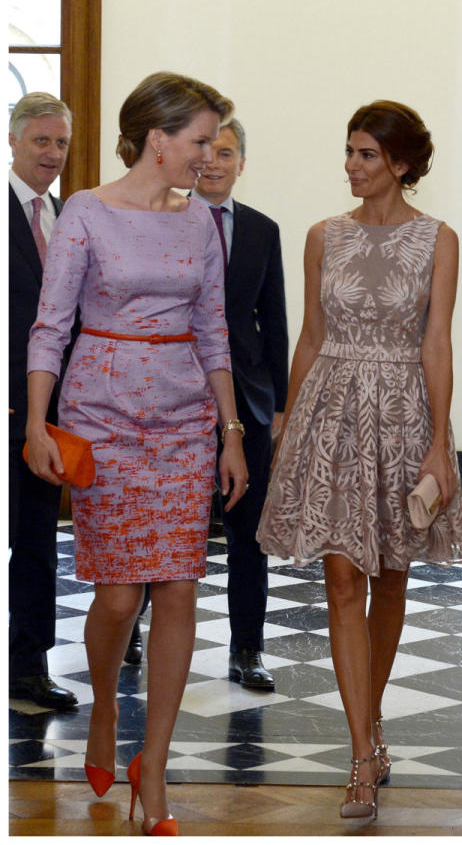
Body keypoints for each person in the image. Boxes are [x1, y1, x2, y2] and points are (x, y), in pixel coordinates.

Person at [26, 71, 248, 835]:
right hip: (104, 418)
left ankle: (151, 764)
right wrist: (34, 422)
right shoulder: (85, 211)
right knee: (120, 596)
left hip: (185, 423)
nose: (208, 155)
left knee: (180, 588)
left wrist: (232, 434)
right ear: (159, 140)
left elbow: (216, 332)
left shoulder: (202, 223)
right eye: (199, 141)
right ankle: (103, 710)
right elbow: (50, 325)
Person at [257, 100, 462, 819]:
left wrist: (441, 443)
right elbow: (311, 335)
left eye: (367, 155)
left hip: (404, 414)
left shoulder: (439, 240)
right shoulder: (323, 237)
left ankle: (372, 724)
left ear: (402, 164)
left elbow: (437, 343)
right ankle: (358, 754)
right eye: (349, 152)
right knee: (343, 579)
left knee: (391, 575)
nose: (351, 166)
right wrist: (290, 426)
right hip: (332, 412)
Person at [192, 118, 288, 690]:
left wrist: (278, 404)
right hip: (177, 393)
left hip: (247, 403)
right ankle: (133, 626)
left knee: (247, 532)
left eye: (226, 152)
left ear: (241, 163)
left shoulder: (262, 230)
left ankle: (247, 649)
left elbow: (273, 320)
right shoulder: (163, 219)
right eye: (205, 149)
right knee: (168, 521)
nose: (213, 161)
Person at [8, 92, 78, 711]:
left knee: (36, 538)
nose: (52, 154)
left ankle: (28, 667)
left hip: (46, 412)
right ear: (13, 141)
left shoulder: (67, 216)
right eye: (41, 141)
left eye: (60, 143)